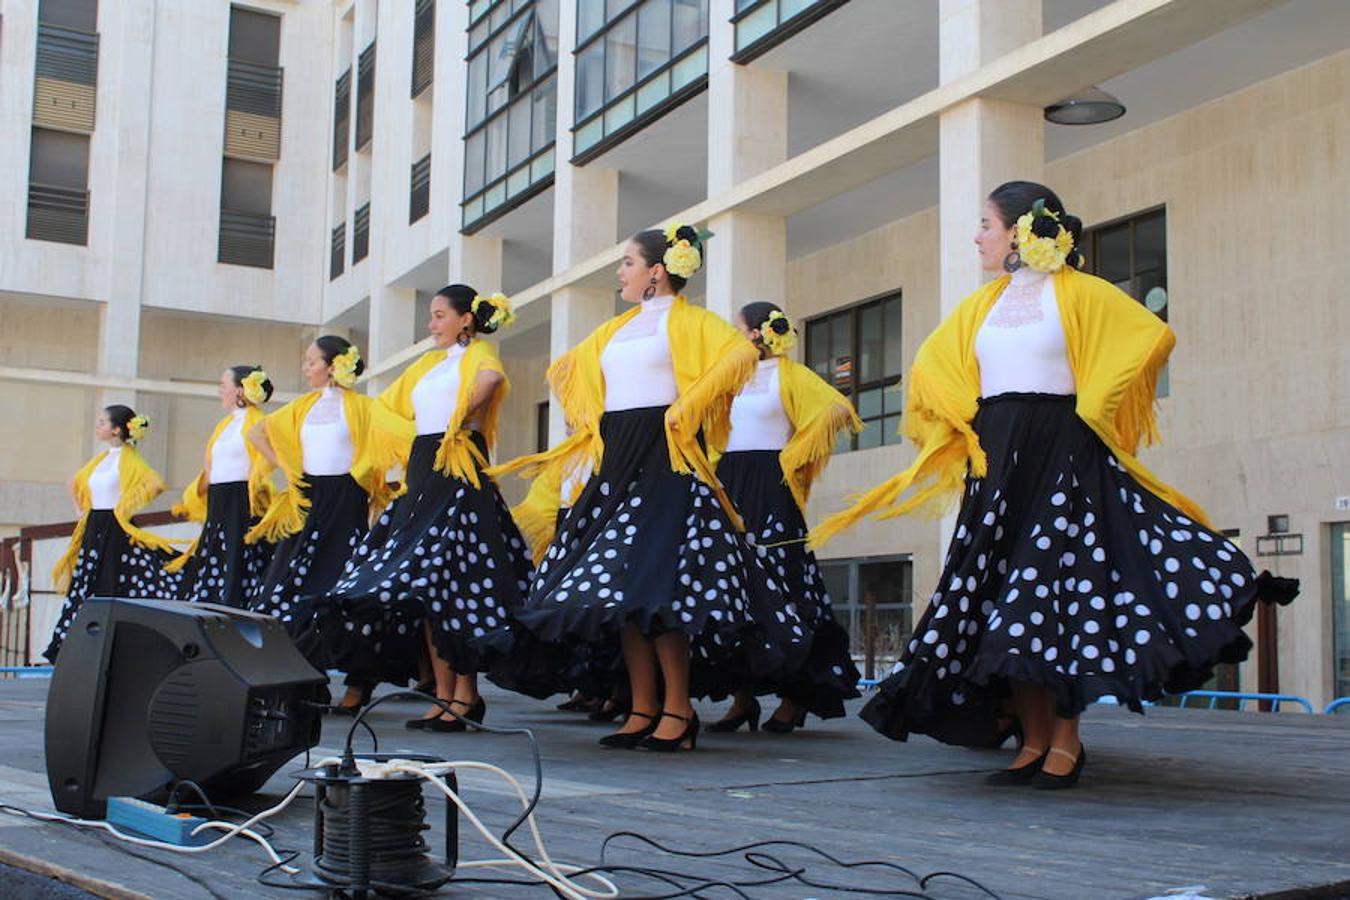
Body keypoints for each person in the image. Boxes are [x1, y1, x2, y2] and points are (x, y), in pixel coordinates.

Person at [811, 181, 1298, 788]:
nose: (977, 237)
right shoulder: (981, 305)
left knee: (1053, 600)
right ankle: (1034, 738)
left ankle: (1065, 739)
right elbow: (932, 365)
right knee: (1003, 600)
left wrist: (1094, 405)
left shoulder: (1081, 293)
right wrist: (962, 418)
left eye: (985, 224)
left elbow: (1150, 336)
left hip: (1061, 454)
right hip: (997, 464)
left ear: (1019, 231)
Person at [490, 224, 809, 752]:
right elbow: (568, 369)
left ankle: (677, 709)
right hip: (619, 459)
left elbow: (738, 356)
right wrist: (592, 420)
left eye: (628, 261)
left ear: (656, 271)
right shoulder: (618, 328)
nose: (621, 271)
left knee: (658, 592)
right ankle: (642, 708)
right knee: (623, 594)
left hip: (666, 461)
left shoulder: (691, 322)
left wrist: (686, 409)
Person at [316, 286, 533, 732]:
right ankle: (443, 693)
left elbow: (492, 381)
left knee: (458, 580)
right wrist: (413, 437)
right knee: (429, 585)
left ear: (465, 320)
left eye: (438, 316)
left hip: (457, 466)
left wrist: (457, 418)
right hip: (425, 466)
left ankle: (465, 695)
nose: (431, 325)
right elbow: (384, 408)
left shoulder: (479, 355)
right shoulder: (429, 365)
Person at [708, 302, 863, 734]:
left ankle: (795, 697)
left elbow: (837, 409)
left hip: (769, 485)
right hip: (730, 482)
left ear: (757, 334)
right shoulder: (729, 377)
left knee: (784, 585)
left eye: (737, 329)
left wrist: (795, 456)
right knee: (736, 590)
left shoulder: (789, 375)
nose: (732, 337)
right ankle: (742, 698)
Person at [246, 336, 396, 713]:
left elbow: (394, 436)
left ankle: (359, 684)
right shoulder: (302, 406)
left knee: (345, 591)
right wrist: (289, 470)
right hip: (308, 501)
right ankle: (306, 681)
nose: (305, 367)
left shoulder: (363, 406)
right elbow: (257, 433)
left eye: (311, 361)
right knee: (287, 587)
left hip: (346, 501)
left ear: (333, 366)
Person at [45, 406, 184, 660]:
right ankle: (76, 644)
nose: (98, 426)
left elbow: (155, 484)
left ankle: (108, 643)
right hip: (94, 525)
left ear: (116, 429)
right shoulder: (103, 458)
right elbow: (74, 482)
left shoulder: (129, 458)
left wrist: (125, 506)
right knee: (86, 581)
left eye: (102, 422)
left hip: (114, 526)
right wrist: (81, 509)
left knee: (111, 579)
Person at [167, 365, 276, 606]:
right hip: (220, 500)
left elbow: (266, 461)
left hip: (242, 500)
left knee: (239, 558)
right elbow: (211, 467)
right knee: (214, 556)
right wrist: (195, 494)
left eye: (223, 385)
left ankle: (235, 605)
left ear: (239, 391)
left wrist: (256, 486)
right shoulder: (223, 426)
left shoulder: (259, 422)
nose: (219, 391)